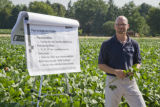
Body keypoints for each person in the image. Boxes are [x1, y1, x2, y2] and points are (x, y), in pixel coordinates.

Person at [98, 16, 146, 107]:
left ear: (128, 26)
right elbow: (101, 65)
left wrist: (134, 69)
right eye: (118, 24)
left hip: (130, 82)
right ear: (114, 26)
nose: (121, 27)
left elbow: (138, 62)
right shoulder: (106, 44)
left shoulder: (134, 44)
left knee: (140, 105)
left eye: (123, 24)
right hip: (113, 81)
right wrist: (115, 72)